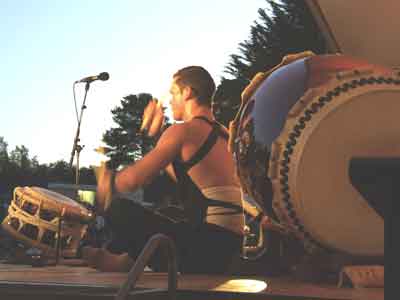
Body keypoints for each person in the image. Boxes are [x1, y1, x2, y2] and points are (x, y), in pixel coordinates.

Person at [89, 66, 245, 274]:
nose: (170, 100)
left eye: (173, 93)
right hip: (231, 247)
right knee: (166, 212)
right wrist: (157, 134)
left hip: (207, 248)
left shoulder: (184, 131)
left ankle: (120, 260)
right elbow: (183, 175)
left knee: (119, 209)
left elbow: (132, 181)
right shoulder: (224, 134)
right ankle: (125, 260)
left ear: (188, 92)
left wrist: (108, 181)